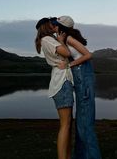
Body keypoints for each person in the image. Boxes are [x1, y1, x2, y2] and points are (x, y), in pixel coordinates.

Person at [50, 16, 101, 159]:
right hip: (80, 79)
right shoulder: (64, 40)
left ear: (61, 27)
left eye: (55, 25)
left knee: (85, 124)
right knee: (81, 122)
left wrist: (69, 65)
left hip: (84, 78)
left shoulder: (70, 38)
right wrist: (60, 42)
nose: (53, 28)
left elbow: (88, 55)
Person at [35, 17, 74, 159]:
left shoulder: (48, 40)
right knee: (65, 124)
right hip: (61, 83)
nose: (55, 25)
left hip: (63, 80)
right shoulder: (47, 40)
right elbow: (67, 53)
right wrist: (62, 40)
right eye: (52, 23)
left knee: (68, 124)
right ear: (47, 26)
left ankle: (68, 156)